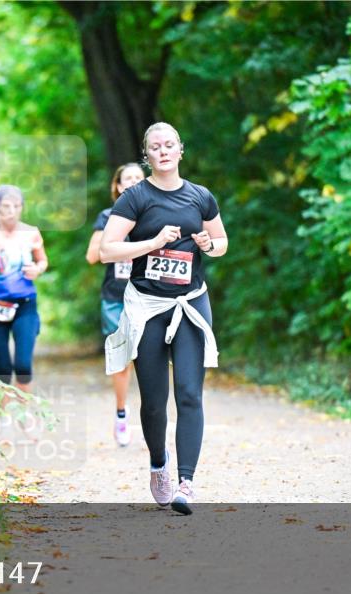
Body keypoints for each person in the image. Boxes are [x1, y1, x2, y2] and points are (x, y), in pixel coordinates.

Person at [100, 122, 228, 515]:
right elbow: (107, 250)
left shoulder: (201, 196)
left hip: (190, 302)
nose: (163, 151)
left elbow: (221, 243)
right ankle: (159, 464)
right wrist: (153, 243)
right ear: (147, 155)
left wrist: (210, 244)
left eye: (169, 145)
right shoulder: (136, 198)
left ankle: (186, 482)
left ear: (180, 150)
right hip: (148, 307)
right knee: (155, 402)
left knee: (189, 393)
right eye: (155, 147)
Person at [86, 163, 145, 447]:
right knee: (122, 361)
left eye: (138, 177)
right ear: (118, 187)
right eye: (127, 179)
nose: (133, 182)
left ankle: (151, 416)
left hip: (149, 296)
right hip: (116, 297)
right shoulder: (108, 217)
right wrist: (118, 241)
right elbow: (92, 257)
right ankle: (121, 412)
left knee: (147, 359)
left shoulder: (155, 215)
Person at [0, 185, 48, 393]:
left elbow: (42, 261)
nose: (11, 211)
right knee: (3, 366)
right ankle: (4, 415)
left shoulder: (31, 232)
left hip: (25, 304)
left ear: (22, 207)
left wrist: (37, 269)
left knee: (23, 365)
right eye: (6, 206)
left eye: (16, 206)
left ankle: (24, 415)